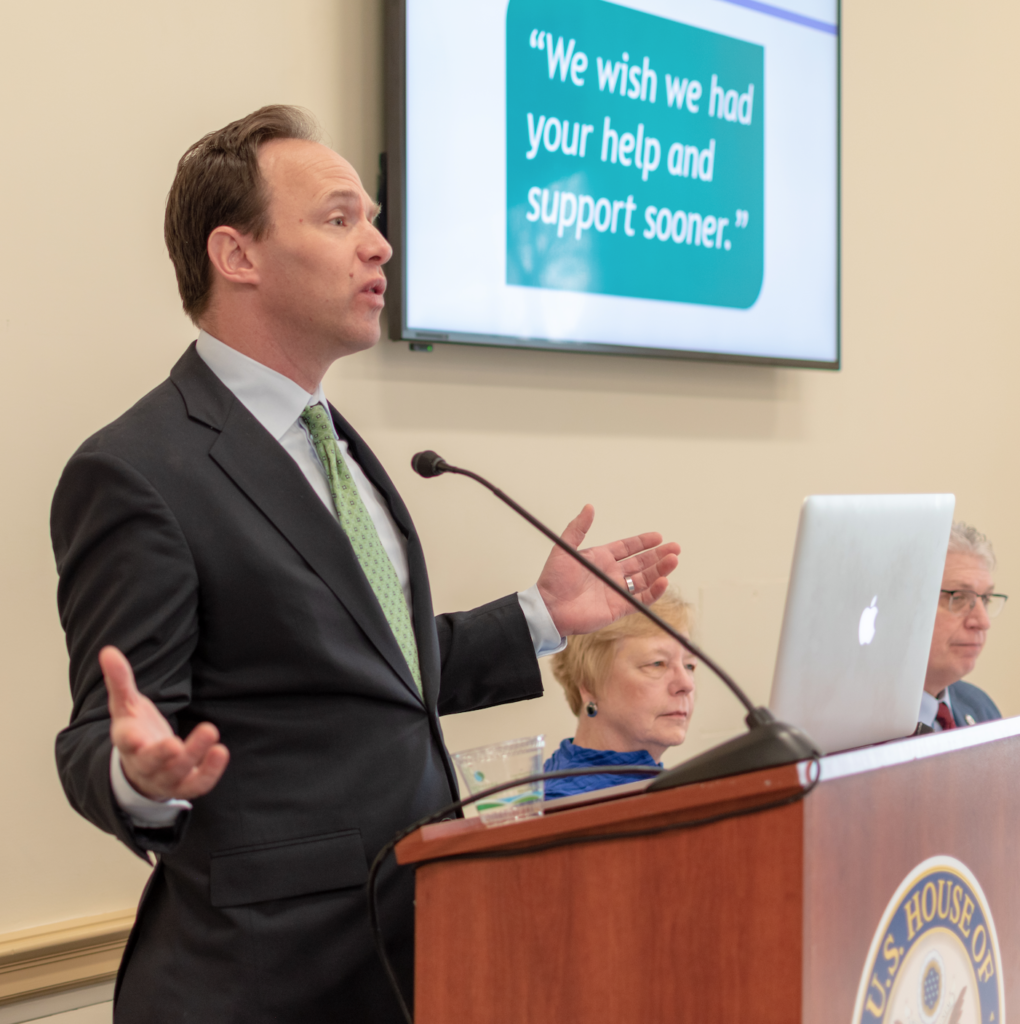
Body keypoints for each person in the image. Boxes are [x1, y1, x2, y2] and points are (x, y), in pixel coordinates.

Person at [49, 106, 681, 1023]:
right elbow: (98, 734)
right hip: (263, 983)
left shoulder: (335, 445)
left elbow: (374, 669)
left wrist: (542, 614)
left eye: (374, 220)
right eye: (341, 219)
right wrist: (135, 777)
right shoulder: (139, 469)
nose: (380, 246)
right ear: (238, 255)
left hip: (405, 952)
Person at [543, 589, 695, 799]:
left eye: (690, 665)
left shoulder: (673, 792)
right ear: (589, 684)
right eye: (657, 663)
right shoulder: (556, 809)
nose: (686, 684)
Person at [918, 521, 1007, 731]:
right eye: (958, 597)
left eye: (985, 599)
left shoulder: (981, 708)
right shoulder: (847, 729)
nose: (983, 622)